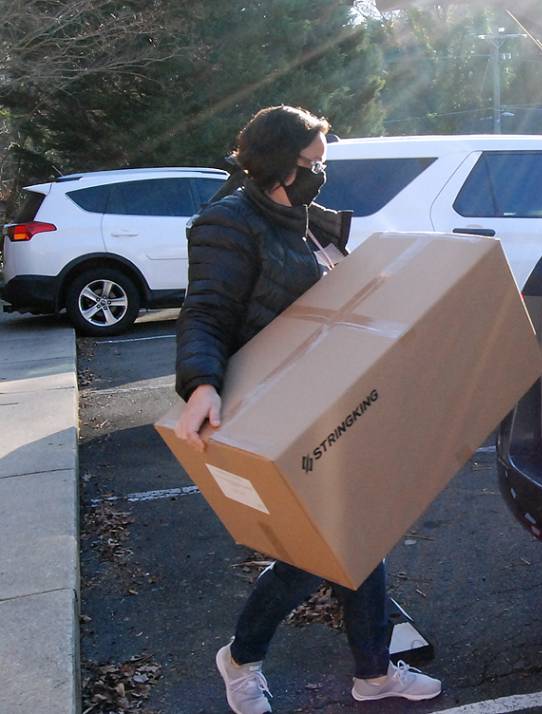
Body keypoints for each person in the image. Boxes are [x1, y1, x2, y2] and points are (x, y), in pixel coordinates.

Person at [173, 105, 442, 714]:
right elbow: (206, 311)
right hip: (274, 411)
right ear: (281, 162)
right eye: (313, 161)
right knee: (312, 550)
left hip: (327, 401)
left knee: (356, 536)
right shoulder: (229, 222)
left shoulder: (304, 220)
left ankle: (373, 673)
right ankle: (241, 658)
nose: (322, 172)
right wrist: (201, 383)